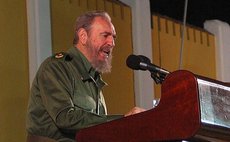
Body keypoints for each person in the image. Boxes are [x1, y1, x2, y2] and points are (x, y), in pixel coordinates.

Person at [26, 11, 145, 142]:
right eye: (105, 35)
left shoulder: (93, 78)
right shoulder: (56, 67)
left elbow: (95, 130)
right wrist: (123, 120)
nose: (112, 43)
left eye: (113, 37)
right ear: (83, 36)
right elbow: (65, 118)